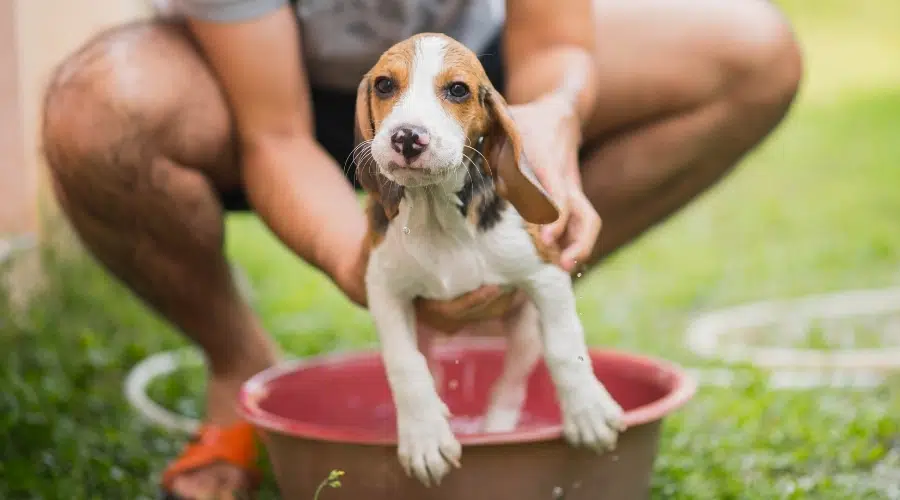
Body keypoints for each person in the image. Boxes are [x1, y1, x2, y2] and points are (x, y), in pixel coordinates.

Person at [41, 0, 802, 497]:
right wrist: (364, 262)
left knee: (755, 50)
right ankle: (239, 365)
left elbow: (558, 42)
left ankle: (506, 288)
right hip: (265, 84)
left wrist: (556, 116)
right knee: (98, 111)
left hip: (474, 70)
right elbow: (272, 135)